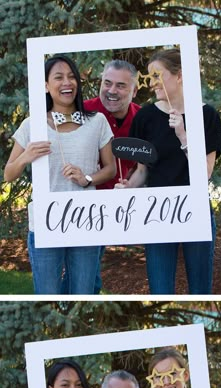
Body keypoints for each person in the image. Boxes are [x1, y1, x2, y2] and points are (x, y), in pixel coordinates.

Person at [3, 55, 116, 295]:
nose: (67, 82)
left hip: (86, 220)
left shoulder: (97, 121)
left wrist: (87, 178)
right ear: (45, 85)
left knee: (83, 295)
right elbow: (8, 174)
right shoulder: (31, 125)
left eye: (72, 76)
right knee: (47, 295)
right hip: (45, 222)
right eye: (58, 77)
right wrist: (26, 156)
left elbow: (110, 169)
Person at [117, 48, 221, 295]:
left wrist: (183, 135)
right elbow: (142, 171)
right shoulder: (146, 116)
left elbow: (204, 174)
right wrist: (128, 187)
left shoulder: (207, 116)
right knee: (160, 289)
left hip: (194, 210)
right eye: (149, 76)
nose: (151, 83)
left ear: (180, 75)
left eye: (157, 75)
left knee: (200, 290)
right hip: (157, 213)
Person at [84, 59, 140, 292]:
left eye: (120, 86)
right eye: (107, 83)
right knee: (87, 273)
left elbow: (146, 166)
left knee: (91, 272)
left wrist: (133, 184)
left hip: (122, 206)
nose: (111, 91)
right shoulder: (82, 112)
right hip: (84, 206)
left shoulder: (143, 119)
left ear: (134, 90)